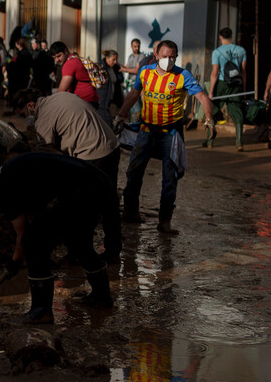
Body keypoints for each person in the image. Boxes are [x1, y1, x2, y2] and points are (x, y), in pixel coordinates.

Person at [0, 153, 116, 324]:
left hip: (83, 190)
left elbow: (22, 232)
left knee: (34, 243)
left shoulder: (5, 186)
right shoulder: (11, 169)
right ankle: (101, 296)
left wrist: (15, 262)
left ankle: (41, 311)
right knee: (78, 240)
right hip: (98, 183)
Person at [114, 40, 214, 235]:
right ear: (156, 55)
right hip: (146, 130)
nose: (168, 60)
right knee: (134, 171)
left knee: (170, 178)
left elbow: (202, 97)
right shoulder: (145, 72)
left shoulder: (183, 75)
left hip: (171, 134)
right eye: (165, 56)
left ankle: (165, 221)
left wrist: (209, 119)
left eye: (173, 57)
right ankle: (130, 212)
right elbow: (134, 94)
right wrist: (120, 115)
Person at [12, 89, 122, 261]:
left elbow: (44, 155)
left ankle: (78, 253)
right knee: (109, 201)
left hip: (92, 154)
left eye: (23, 114)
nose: (25, 119)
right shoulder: (60, 96)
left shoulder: (43, 119)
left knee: (82, 207)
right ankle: (113, 251)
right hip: (111, 146)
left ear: (31, 106)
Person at [208, 28, 248, 151]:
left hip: (221, 83)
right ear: (232, 36)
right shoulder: (241, 50)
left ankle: (209, 142)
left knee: (213, 110)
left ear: (220, 37)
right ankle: (239, 143)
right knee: (236, 111)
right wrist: (244, 89)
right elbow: (243, 71)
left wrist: (210, 91)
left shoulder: (217, 52)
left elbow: (215, 73)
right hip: (236, 84)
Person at [50, 41, 100, 110]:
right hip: (90, 99)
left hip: (84, 101)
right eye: (54, 58)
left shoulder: (70, 63)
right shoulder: (75, 58)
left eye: (59, 56)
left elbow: (61, 90)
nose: (57, 60)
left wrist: (51, 104)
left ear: (65, 51)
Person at [95, 50, 124, 126]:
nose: (115, 62)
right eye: (113, 60)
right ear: (107, 58)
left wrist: (118, 68)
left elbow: (121, 79)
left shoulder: (115, 67)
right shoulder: (99, 67)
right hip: (103, 101)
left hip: (113, 100)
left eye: (116, 60)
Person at [6, 35, 34, 101]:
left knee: (20, 94)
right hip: (25, 76)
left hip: (19, 77)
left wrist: (10, 62)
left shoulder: (22, 54)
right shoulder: (27, 53)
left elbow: (17, 66)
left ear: (17, 44)